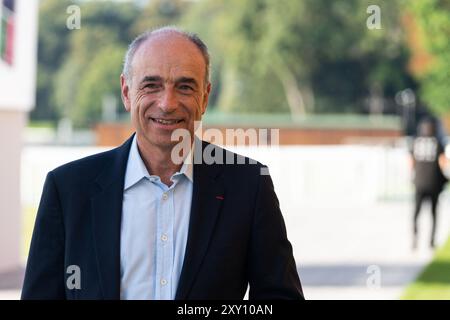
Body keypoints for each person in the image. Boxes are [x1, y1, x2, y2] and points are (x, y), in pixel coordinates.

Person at [21, 27, 303, 300]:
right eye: (151, 85)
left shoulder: (248, 185)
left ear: (204, 97)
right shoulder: (68, 189)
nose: (167, 103)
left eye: (184, 87)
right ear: (126, 92)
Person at [411, 116, 448, 249]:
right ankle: (431, 241)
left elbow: (411, 161)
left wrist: (413, 175)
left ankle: (415, 239)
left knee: (416, 212)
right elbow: (443, 162)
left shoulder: (416, 141)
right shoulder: (437, 143)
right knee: (433, 213)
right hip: (433, 183)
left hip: (419, 182)